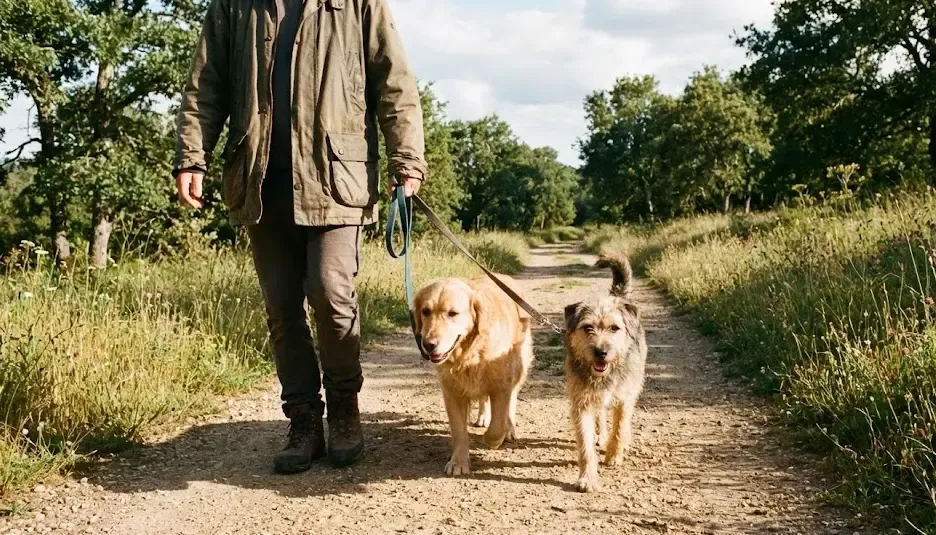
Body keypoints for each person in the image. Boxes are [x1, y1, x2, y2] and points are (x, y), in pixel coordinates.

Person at [172, 0, 427, 473]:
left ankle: (345, 408)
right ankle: (305, 420)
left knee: (331, 294)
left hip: (336, 181)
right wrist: (192, 155)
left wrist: (406, 160)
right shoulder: (234, 6)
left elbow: (394, 82)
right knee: (282, 307)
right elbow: (205, 83)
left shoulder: (357, 3)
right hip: (260, 180)